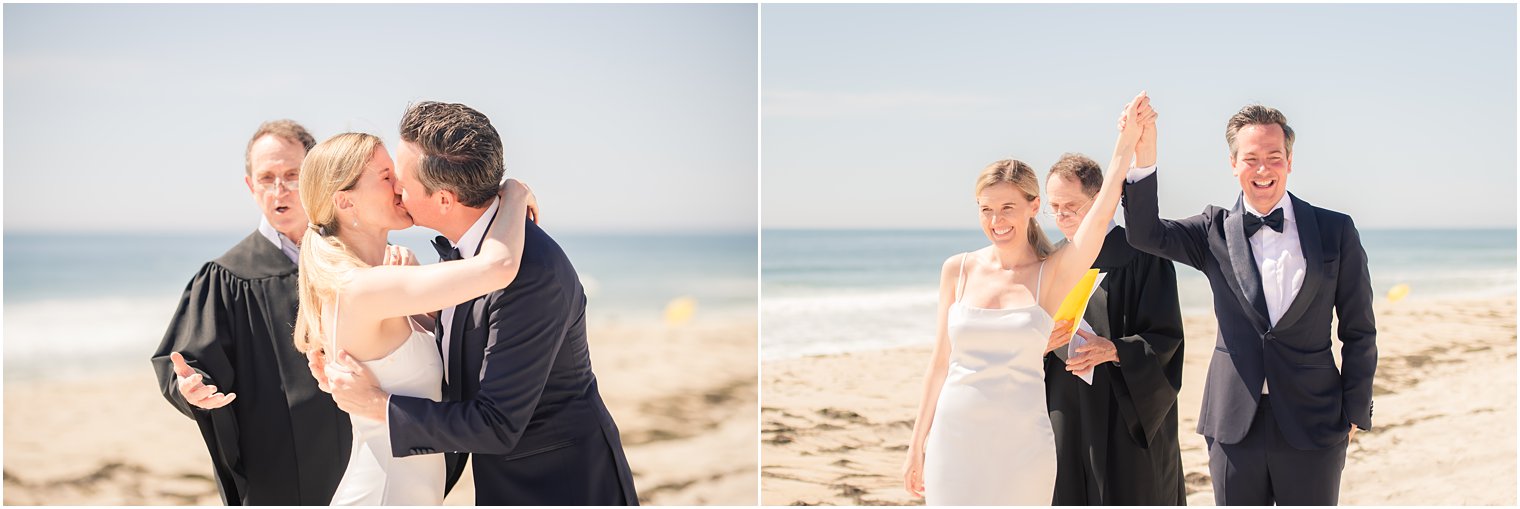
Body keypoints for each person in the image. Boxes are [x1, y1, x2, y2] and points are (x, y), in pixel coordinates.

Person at [320, 101, 639, 505]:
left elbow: (497, 423)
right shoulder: (471, 252)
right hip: (504, 481)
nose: (396, 187)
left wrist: (379, 404)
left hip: (559, 485)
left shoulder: (531, 275)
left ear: (445, 200)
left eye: (402, 179)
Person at [901, 92, 1154, 505]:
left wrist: (1126, 144)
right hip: (954, 439)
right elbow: (939, 364)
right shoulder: (957, 270)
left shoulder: (1050, 274)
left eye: (1007, 208)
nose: (996, 221)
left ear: (1033, 207)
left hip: (1024, 448)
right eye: (986, 210)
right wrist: (917, 444)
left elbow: (1103, 211)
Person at [1120, 103, 1377, 505]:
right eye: (1251, 159)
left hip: (1315, 421)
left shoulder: (1335, 230)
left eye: (1274, 158)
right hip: (1233, 423)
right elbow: (1144, 233)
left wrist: (1355, 410)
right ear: (1233, 163)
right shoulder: (1211, 231)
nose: (1263, 170)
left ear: (1289, 161)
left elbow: (1359, 330)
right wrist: (1144, 152)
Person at [288, 131, 538, 505]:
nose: (401, 185)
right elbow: (498, 266)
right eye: (386, 177)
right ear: (346, 202)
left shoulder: (370, 283)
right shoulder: (364, 288)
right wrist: (514, 192)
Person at [149, 120, 352, 505]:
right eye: (267, 178)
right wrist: (193, 388)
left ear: (315, 177)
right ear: (251, 186)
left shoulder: (353, 256)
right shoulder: (228, 278)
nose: (279, 190)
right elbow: (188, 363)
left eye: (292, 176)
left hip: (361, 453)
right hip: (278, 470)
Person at [1041, 152, 1186, 504]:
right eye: (1054, 206)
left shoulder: (1143, 255)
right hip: (1068, 404)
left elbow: (1167, 338)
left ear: (1099, 200)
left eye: (1070, 207)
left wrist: (1116, 349)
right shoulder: (1052, 261)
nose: (1060, 217)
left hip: (1126, 406)